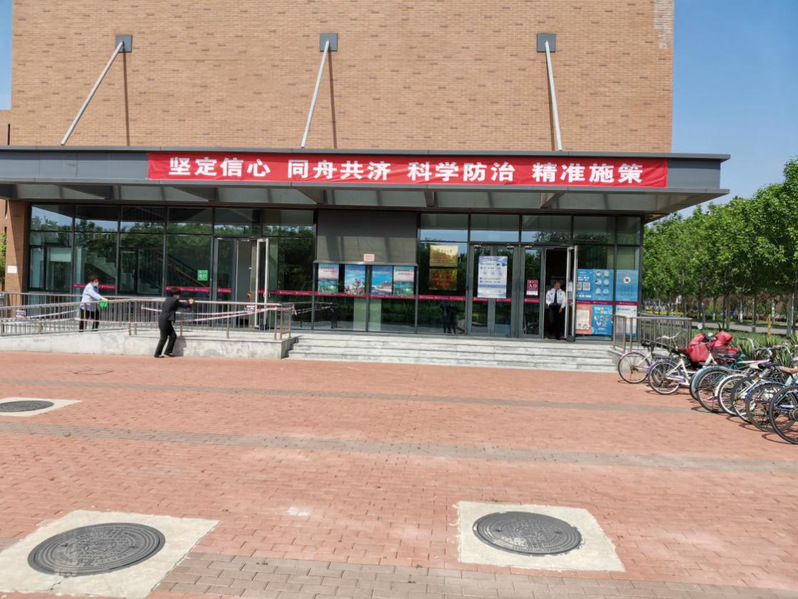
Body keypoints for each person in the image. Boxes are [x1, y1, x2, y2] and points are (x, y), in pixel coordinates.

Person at [154, 289, 194, 358]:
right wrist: (190, 303)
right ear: (175, 294)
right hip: (165, 320)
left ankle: (168, 352)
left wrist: (188, 303)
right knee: (163, 338)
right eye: (178, 294)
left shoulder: (168, 299)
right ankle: (157, 354)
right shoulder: (174, 300)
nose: (179, 295)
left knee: (173, 335)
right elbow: (183, 305)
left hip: (165, 320)